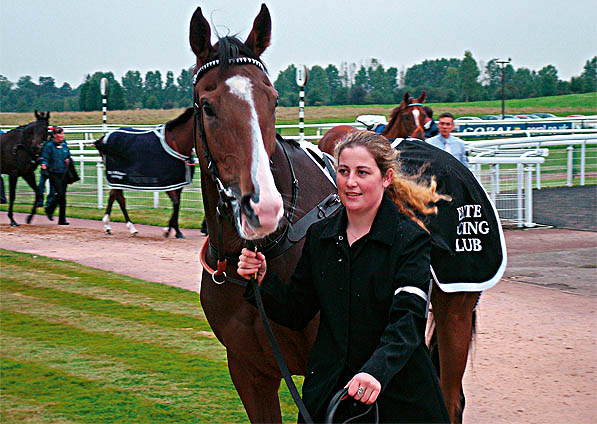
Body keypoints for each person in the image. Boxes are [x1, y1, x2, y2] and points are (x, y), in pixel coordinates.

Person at [238, 131, 450, 423]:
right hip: (330, 396)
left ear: (386, 178)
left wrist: (375, 371)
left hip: (397, 396)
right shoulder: (319, 236)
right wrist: (263, 280)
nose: (350, 182)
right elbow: (296, 310)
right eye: (343, 171)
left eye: (363, 173)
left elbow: (407, 322)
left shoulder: (410, 241)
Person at [40, 127, 71, 225]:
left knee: (63, 197)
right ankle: (49, 208)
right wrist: (44, 164)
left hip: (64, 172)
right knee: (60, 194)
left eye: (62, 134)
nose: (62, 136)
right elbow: (45, 157)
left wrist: (68, 161)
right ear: (54, 135)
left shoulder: (65, 145)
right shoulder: (49, 146)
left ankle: (62, 219)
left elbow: (68, 156)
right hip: (53, 173)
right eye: (60, 134)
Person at [36, 137, 58, 208]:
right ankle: (40, 201)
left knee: (51, 186)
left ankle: (48, 202)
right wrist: (43, 163)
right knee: (41, 185)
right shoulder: (47, 143)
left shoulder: (62, 143)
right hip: (46, 167)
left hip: (53, 168)